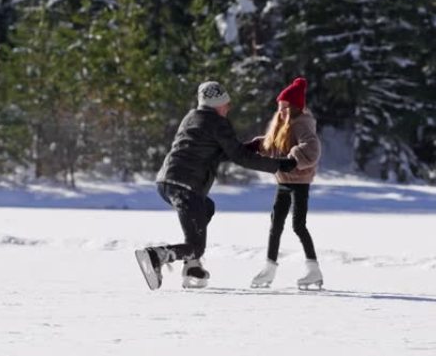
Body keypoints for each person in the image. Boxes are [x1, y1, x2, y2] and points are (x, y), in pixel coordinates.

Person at [135, 81, 297, 290]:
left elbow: (218, 151)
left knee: (206, 208)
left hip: (166, 182)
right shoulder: (218, 123)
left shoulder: (192, 117)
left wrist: (251, 146)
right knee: (195, 246)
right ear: (218, 104)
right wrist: (279, 166)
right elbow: (240, 157)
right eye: (226, 103)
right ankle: (157, 255)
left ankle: (192, 267)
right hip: (186, 186)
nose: (229, 107)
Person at [247, 77, 323, 290]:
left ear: (295, 108)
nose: (280, 112)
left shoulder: (302, 124)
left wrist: (294, 158)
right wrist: (257, 145)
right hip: (283, 180)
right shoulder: (282, 124)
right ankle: (269, 267)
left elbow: (312, 147)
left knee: (298, 225)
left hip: (299, 181)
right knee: (276, 223)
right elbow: (273, 145)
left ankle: (313, 268)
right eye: (279, 107)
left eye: (284, 108)